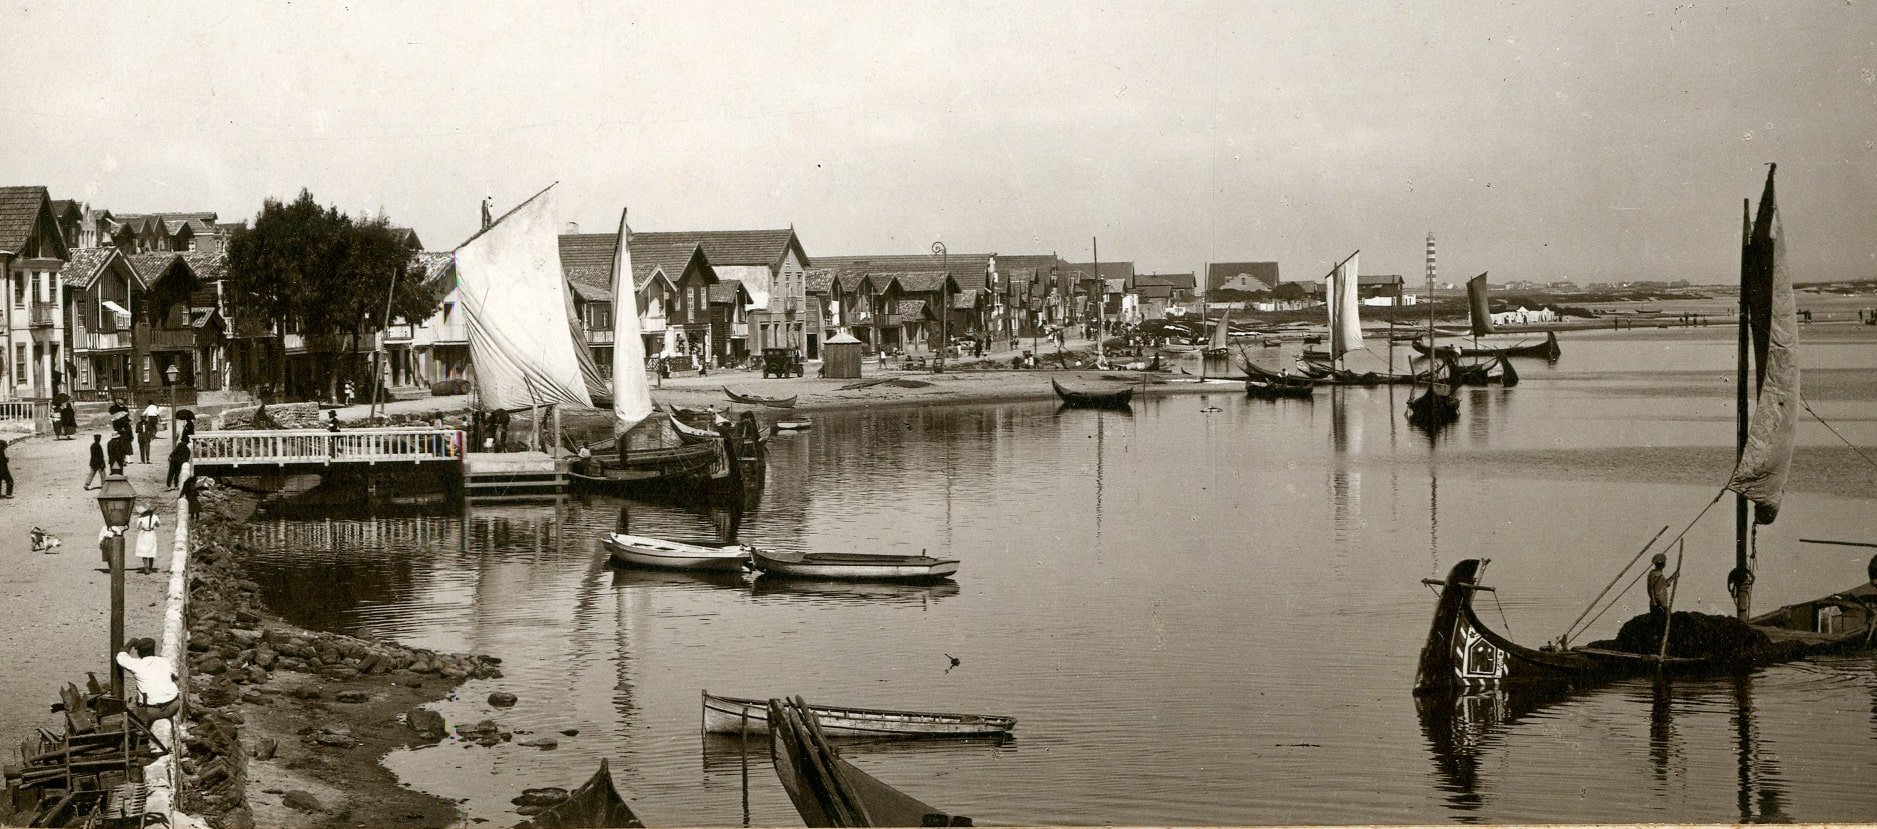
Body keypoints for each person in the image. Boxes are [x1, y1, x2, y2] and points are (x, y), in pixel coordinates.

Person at [114, 638, 179, 726]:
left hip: (151, 711)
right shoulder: (164, 661)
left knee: (124, 723)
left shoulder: (137, 665)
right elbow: (175, 676)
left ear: (139, 652)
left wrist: (131, 643)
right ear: (153, 649)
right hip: (173, 706)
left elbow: (121, 656)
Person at [132, 505, 161, 574]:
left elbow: (138, 527)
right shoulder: (155, 517)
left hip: (144, 534)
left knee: (143, 550)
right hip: (151, 533)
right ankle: (150, 567)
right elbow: (158, 525)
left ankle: (146, 566)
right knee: (152, 550)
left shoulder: (141, 518)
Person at [1647, 552, 1677, 618]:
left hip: (1658, 604)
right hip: (1658, 604)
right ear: (1663, 564)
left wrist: (1673, 576)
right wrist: (1655, 602)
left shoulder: (1655, 574)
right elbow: (1653, 589)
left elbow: (1663, 585)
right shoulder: (1656, 575)